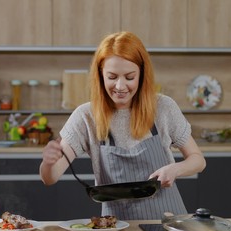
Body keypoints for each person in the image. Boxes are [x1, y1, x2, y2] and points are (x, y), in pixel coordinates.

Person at [40, 31, 206, 220]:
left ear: (142, 75)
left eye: (129, 77)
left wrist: (175, 169)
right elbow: (50, 177)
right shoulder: (86, 116)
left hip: (168, 223)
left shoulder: (163, 107)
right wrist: (48, 162)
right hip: (115, 228)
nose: (120, 86)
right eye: (112, 77)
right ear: (100, 75)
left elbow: (198, 160)